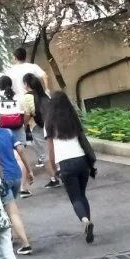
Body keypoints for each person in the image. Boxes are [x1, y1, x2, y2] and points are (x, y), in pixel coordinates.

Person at [45, 91, 96, 243]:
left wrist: (53, 167)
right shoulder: (73, 118)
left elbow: (50, 149)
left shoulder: (49, 123)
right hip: (82, 160)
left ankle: (85, 221)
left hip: (65, 163)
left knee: (75, 197)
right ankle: (87, 224)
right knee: (82, 194)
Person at [0, 108, 34, 255]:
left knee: (11, 211)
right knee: (10, 207)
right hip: (16, 175)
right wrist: (29, 170)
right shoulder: (8, 132)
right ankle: (10, 236)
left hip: (2, 178)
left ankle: (25, 243)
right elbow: (20, 150)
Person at [23, 73, 60, 189]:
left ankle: (54, 179)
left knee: (44, 153)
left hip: (38, 127)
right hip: (52, 124)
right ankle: (60, 171)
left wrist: (24, 125)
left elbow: (27, 114)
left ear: (26, 84)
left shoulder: (27, 97)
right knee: (54, 149)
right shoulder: (45, 95)